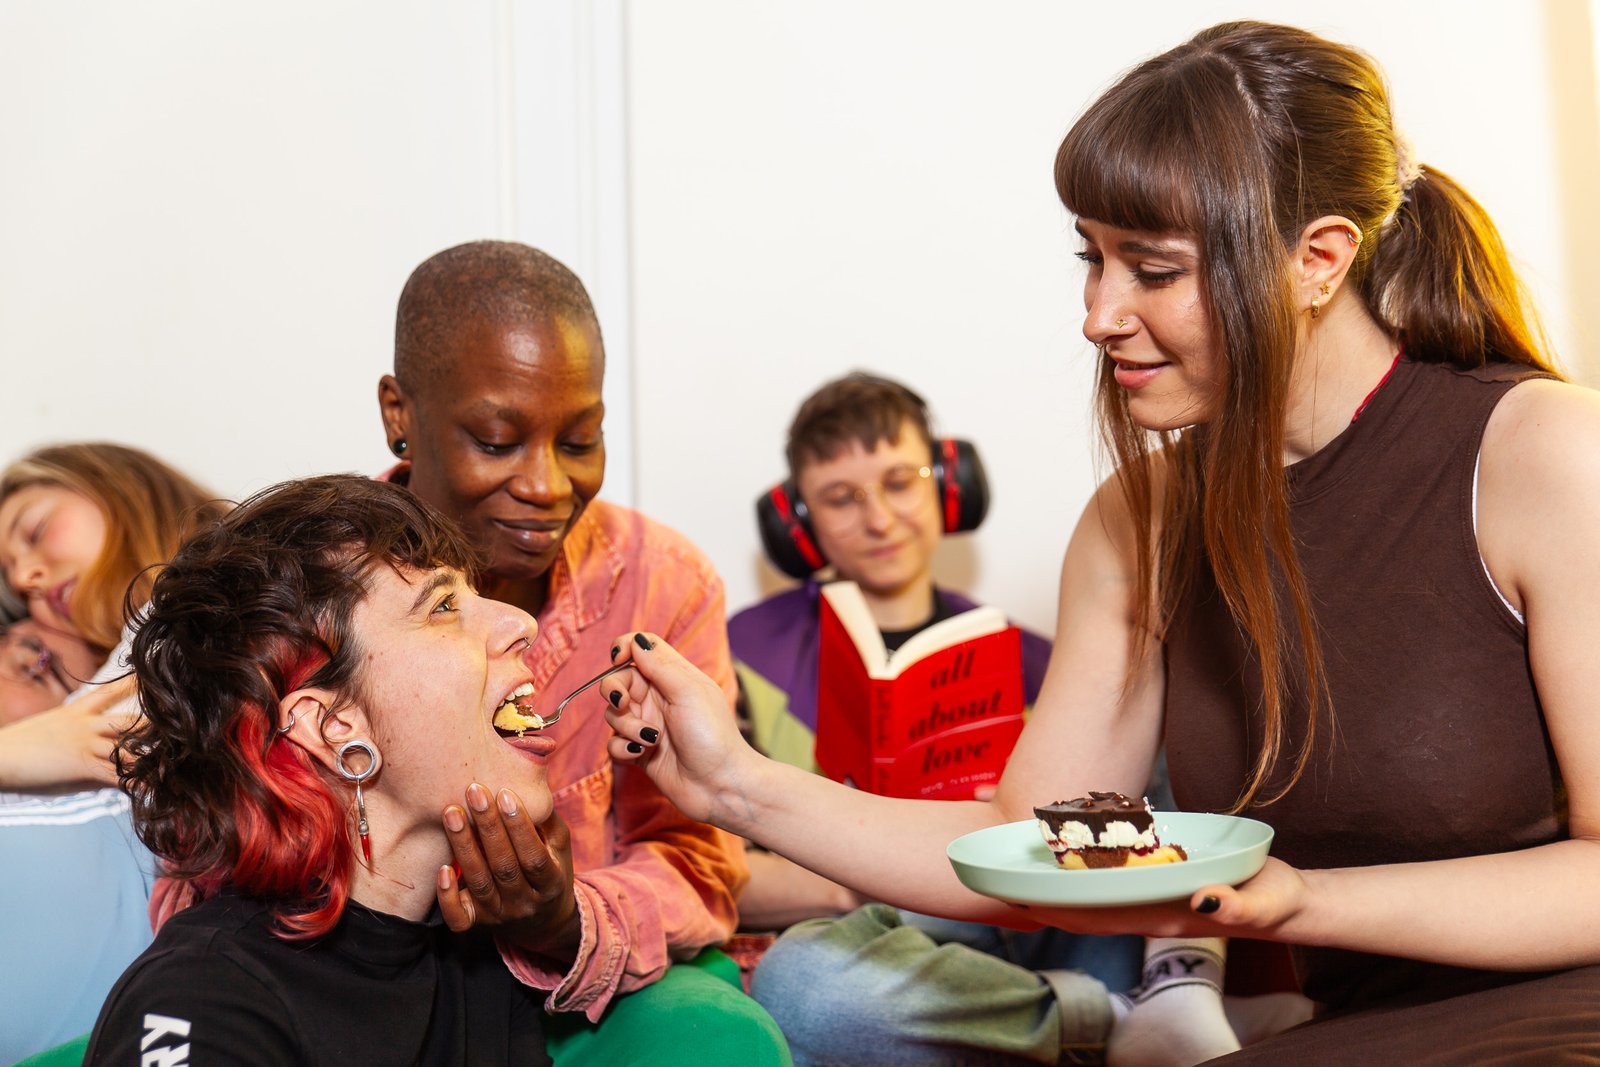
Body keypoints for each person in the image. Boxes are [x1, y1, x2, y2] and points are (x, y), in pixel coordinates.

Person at [596, 20, 1600, 1067]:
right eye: (1093, 259)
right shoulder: (1142, 515)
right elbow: (1026, 842)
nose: (1097, 314)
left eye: (1151, 269)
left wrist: (1301, 902)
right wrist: (730, 784)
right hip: (1348, 1034)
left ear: (1317, 259)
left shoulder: (1542, 451)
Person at [375, 240, 788, 1065]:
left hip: (598, 983)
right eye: (496, 440)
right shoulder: (310, 587)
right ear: (400, 415)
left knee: (719, 1043)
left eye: (579, 439)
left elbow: (699, 857)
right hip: (374, 986)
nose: (547, 484)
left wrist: (565, 919)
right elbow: (216, 873)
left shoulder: (660, 582)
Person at [84, 476, 560, 1064]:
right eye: (442, 607)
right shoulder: (205, 1000)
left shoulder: (479, 967)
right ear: (333, 727)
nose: (521, 622)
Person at [729, 372, 1144, 998]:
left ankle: (1170, 988)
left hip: (1017, 920)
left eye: (901, 483)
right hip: (869, 940)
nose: (879, 519)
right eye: (841, 498)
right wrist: (876, 872)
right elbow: (705, 868)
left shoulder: (1031, 661)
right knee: (804, 987)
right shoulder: (743, 656)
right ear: (798, 523)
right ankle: (1091, 1017)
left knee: (1136, 693)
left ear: (951, 485)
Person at [0, 443, 225, 1064]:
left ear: (120, 491)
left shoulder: (206, 613)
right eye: (16, 573)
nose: (26, 577)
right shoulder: (110, 683)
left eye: (36, 532)